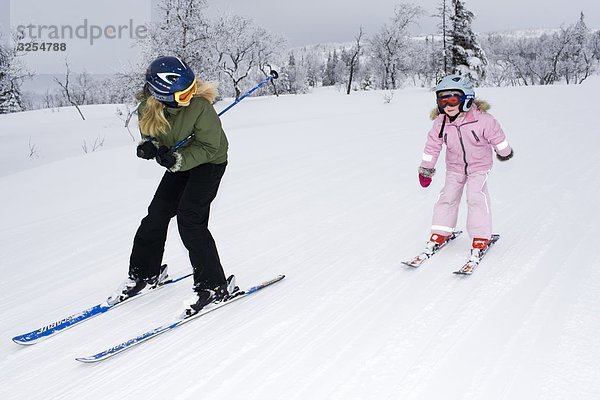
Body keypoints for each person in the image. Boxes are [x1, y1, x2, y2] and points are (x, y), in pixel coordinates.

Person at [108, 56, 237, 317]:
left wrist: (178, 159)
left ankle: (214, 286)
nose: (190, 95)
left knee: (190, 219)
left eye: (191, 88)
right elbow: (151, 134)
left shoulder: (199, 106)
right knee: (155, 216)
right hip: (180, 165)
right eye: (182, 94)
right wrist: (150, 147)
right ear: (161, 94)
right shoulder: (147, 106)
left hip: (209, 163)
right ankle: (145, 274)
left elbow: (214, 147)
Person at [418, 74, 513, 261]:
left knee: (476, 197)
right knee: (447, 197)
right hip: (454, 168)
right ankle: (441, 231)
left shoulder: (483, 120)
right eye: (443, 101)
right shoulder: (441, 122)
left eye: (453, 99)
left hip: (479, 167)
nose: (448, 106)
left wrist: (504, 151)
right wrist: (426, 168)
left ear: (466, 99)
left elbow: (498, 137)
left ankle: (480, 236)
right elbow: (432, 146)